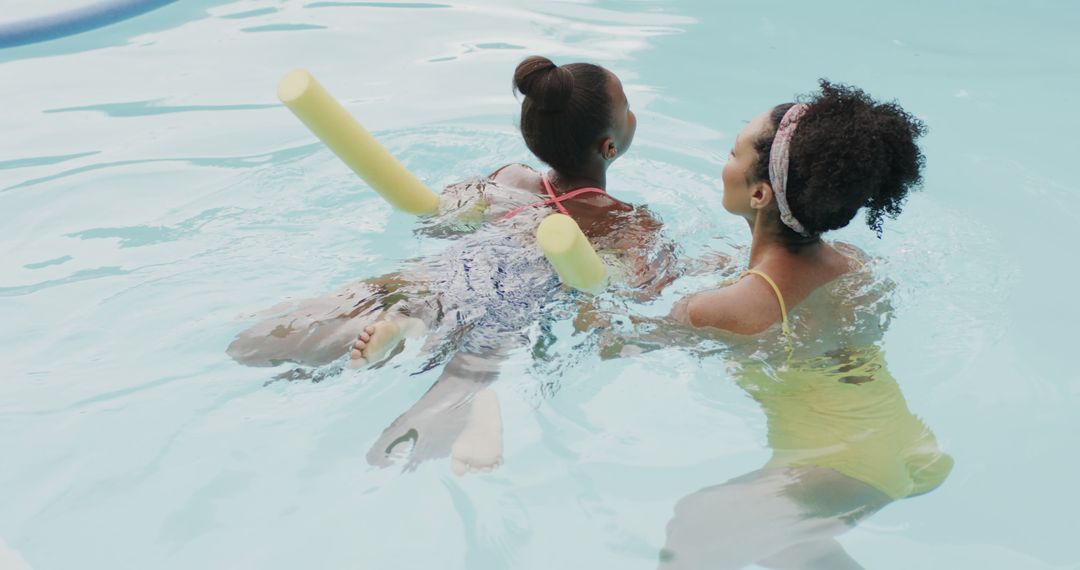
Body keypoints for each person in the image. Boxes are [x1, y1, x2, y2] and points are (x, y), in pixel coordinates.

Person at [227, 56, 676, 474]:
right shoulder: (625, 219)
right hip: (514, 297)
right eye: (629, 107)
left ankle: (385, 321)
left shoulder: (509, 178)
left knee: (394, 289)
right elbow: (639, 289)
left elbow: (438, 225)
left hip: (451, 268)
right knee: (472, 367)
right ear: (610, 146)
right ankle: (415, 381)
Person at [588, 81, 952, 569]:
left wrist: (588, 302)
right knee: (788, 544)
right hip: (906, 443)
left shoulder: (718, 310)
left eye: (731, 153)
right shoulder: (854, 264)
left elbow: (615, 342)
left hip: (834, 468)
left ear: (758, 192)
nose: (724, 165)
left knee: (695, 525)